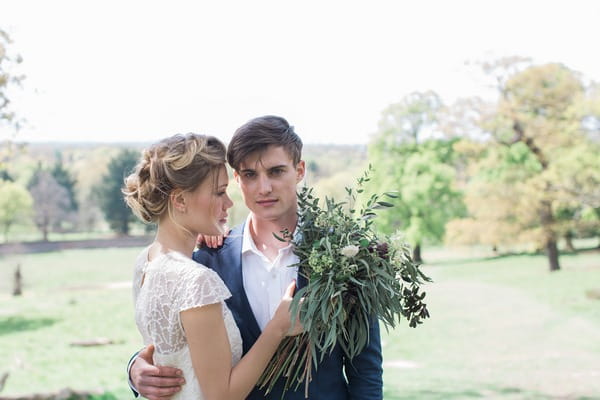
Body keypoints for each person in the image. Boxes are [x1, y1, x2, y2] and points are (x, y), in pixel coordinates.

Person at [129, 116, 383, 399]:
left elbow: (366, 372)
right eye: (250, 175)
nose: (264, 188)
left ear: (299, 171)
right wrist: (136, 369)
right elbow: (179, 342)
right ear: (236, 179)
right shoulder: (208, 260)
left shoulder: (347, 255)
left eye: (275, 172)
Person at [124, 133, 302, 400]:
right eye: (219, 192)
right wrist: (278, 327)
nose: (229, 203)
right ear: (180, 200)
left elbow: (170, 352)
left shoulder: (146, 262)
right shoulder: (196, 279)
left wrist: (137, 366)